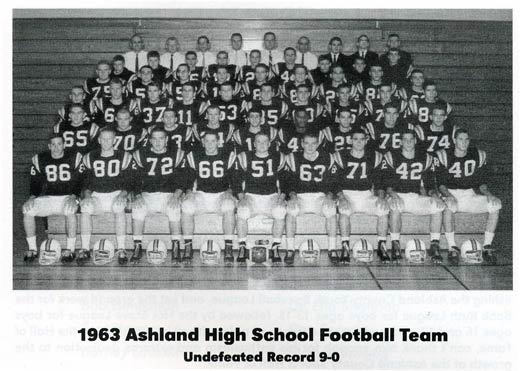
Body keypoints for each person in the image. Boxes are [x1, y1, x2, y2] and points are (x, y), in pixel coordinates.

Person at [436, 129, 502, 265]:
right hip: (452, 193)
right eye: (460, 139)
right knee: (448, 207)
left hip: (469, 193)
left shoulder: (477, 154)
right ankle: (452, 247)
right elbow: (441, 184)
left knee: (496, 204)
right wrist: (449, 196)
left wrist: (489, 194)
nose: (464, 142)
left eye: (466, 139)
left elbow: (481, 183)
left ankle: (487, 245)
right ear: (454, 140)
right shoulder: (444, 155)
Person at [384, 130, 445, 262]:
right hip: (397, 195)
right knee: (395, 207)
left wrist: (435, 195)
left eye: (411, 139)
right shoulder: (392, 156)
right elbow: (386, 183)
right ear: (400, 142)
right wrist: (393, 194)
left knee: (438, 206)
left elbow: (429, 185)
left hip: (415, 196)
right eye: (405, 139)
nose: (408, 142)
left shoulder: (425, 157)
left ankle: (434, 244)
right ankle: (395, 244)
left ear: (415, 140)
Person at [78, 127, 135, 264]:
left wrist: (123, 194)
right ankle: (85, 248)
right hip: (97, 195)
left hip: (116, 193)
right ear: (98, 140)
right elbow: (85, 182)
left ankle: (121, 248)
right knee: (85, 207)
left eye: (109, 139)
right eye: (103, 138)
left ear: (114, 140)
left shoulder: (124, 156)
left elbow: (131, 180)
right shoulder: (89, 157)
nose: (106, 141)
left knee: (119, 207)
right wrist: (87, 195)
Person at [22, 134, 83, 263]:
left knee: (70, 209)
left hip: (68, 197)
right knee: (27, 210)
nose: (56, 147)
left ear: (64, 145)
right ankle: (32, 249)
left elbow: (80, 181)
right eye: (53, 145)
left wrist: (74, 196)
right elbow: (35, 182)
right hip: (49, 198)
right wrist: (31, 197)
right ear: (49, 146)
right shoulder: (40, 159)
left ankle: (70, 249)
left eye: (59, 144)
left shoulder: (74, 157)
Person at [131, 126, 187, 262]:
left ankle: (176, 246)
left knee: (174, 208)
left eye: (161, 138)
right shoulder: (140, 154)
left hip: (168, 194)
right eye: (154, 139)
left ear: (166, 139)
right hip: (147, 195)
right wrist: (137, 196)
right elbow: (133, 178)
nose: (158, 142)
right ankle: (137, 246)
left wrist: (176, 195)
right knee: (137, 208)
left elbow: (185, 178)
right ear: (150, 140)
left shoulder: (177, 154)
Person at [334, 127, 390, 263]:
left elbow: (379, 182)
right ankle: (345, 247)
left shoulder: (374, 156)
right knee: (344, 210)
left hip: (366, 195)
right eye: (356, 139)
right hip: (347, 194)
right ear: (350, 140)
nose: (359, 142)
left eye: (362, 139)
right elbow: (333, 181)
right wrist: (341, 197)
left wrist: (381, 197)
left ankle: (382, 245)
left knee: (383, 209)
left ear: (366, 141)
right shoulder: (340, 155)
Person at [181, 131, 238, 263]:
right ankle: (188, 246)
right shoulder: (194, 156)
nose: (210, 144)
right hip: (202, 195)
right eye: (207, 141)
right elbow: (188, 178)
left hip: (221, 194)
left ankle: (228, 246)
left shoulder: (227, 155)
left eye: (213, 141)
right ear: (202, 142)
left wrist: (229, 192)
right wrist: (189, 191)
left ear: (219, 142)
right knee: (186, 205)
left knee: (229, 205)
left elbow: (234, 179)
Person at [284, 132, 338, 265]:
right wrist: (292, 196)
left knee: (331, 210)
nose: (310, 146)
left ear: (318, 144)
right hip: (300, 196)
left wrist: (329, 196)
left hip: (319, 196)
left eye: (313, 143)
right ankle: (290, 249)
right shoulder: (293, 157)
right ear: (301, 144)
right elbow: (287, 181)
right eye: (307, 143)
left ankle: (332, 248)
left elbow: (334, 181)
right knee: (291, 211)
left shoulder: (327, 157)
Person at [236, 132, 286, 263]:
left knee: (280, 211)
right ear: (254, 144)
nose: (262, 144)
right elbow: (236, 179)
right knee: (242, 211)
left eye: (265, 142)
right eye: (259, 141)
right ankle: (242, 246)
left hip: (271, 196)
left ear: (270, 143)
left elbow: (286, 180)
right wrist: (241, 198)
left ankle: (275, 246)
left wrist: (282, 198)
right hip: (252, 196)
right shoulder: (245, 156)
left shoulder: (278, 157)